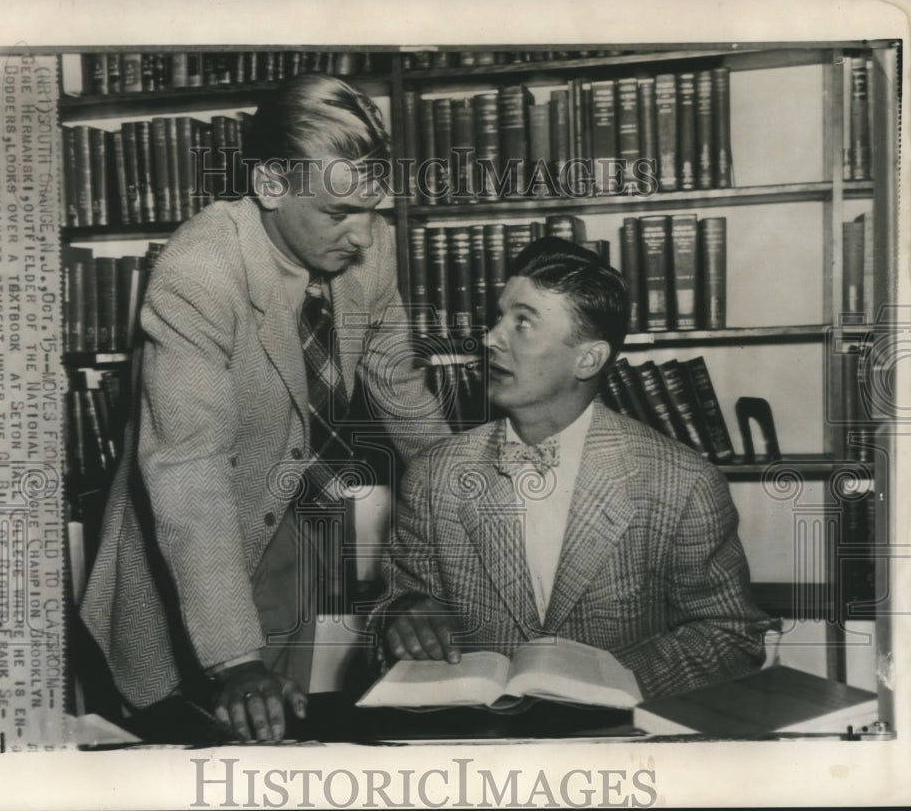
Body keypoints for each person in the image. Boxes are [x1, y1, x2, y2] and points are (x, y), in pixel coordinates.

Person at [80, 74, 449, 741]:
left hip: (303, 533)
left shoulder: (370, 244)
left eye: (375, 208)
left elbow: (404, 394)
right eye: (339, 213)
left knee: (315, 745)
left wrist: (469, 510)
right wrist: (236, 661)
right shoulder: (199, 270)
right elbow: (190, 476)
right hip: (190, 558)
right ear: (271, 185)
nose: (366, 236)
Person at [375, 237, 771, 699]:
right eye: (498, 317)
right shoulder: (432, 476)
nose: (490, 338)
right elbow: (390, 623)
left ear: (588, 359)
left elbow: (731, 637)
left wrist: (605, 681)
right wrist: (400, 617)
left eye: (522, 322)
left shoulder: (682, 483)